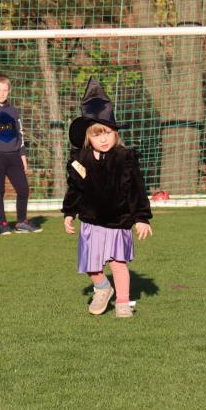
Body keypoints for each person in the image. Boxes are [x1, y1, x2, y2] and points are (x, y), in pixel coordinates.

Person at [62, 78, 153, 319]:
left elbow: (136, 190)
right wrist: (69, 212)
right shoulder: (80, 160)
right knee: (91, 266)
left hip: (117, 221)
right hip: (91, 221)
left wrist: (141, 218)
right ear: (88, 137)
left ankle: (122, 303)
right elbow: (75, 189)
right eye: (97, 135)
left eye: (108, 133)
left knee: (118, 264)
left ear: (115, 133)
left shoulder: (124, 158)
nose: (103, 139)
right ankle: (103, 288)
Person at [0, 74, 38, 235]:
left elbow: (20, 134)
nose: (2, 93)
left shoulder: (13, 111)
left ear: (9, 90)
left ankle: (21, 222)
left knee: (23, 189)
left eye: (5, 90)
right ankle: (3, 224)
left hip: (14, 156)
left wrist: (22, 155)